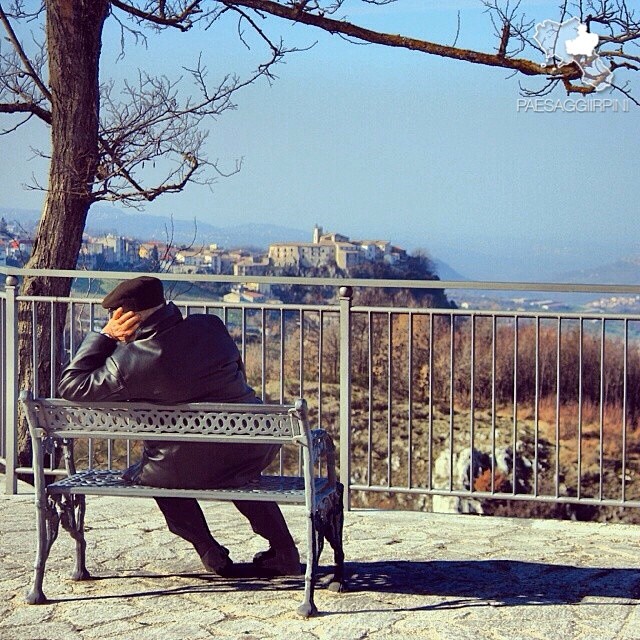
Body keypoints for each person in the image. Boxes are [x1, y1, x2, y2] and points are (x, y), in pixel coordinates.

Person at [58, 276, 300, 577]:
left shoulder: (130, 361)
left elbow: (70, 385)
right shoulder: (211, 326)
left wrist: (105, 336)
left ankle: (209, 550)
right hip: (252, 449)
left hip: (190, 467)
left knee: (157, 474)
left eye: (113, 316)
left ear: (127, 317)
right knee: (233, 471)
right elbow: (236, 372)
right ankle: (286, 552)